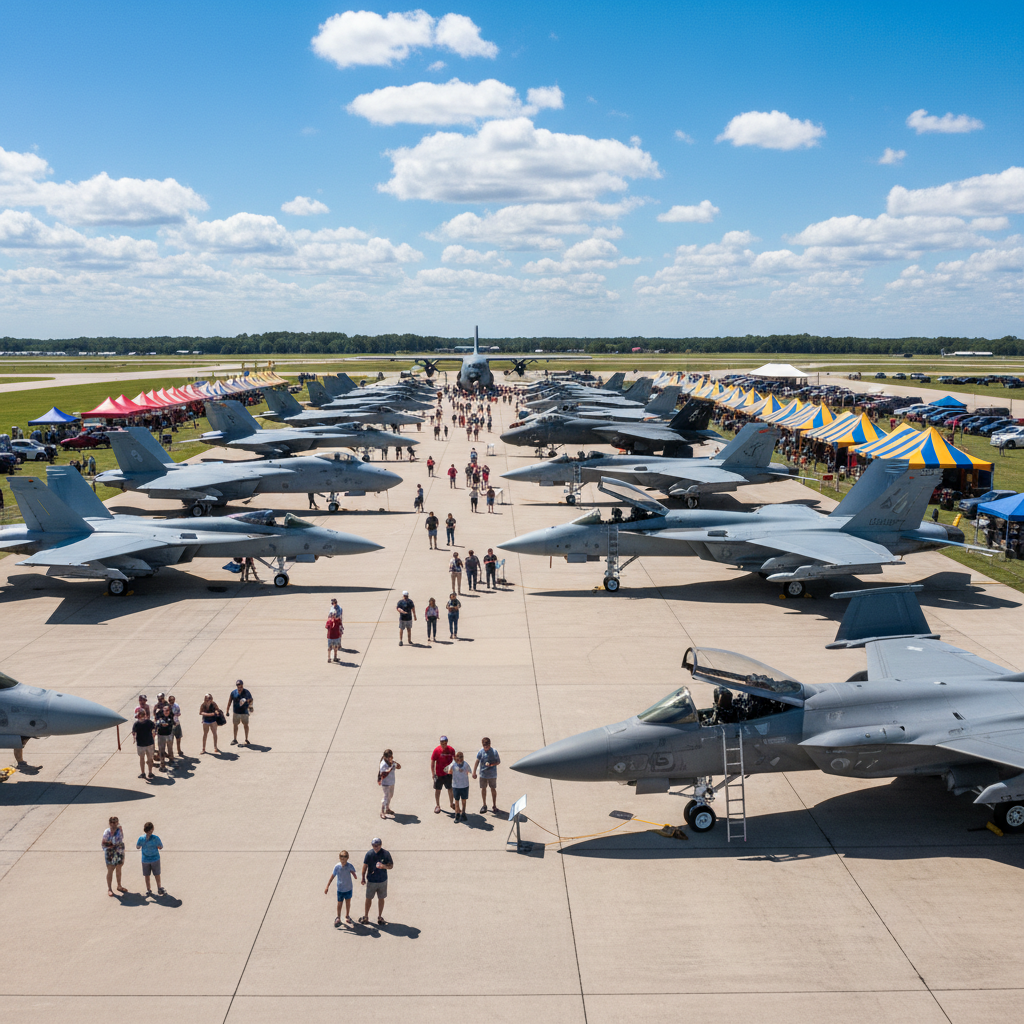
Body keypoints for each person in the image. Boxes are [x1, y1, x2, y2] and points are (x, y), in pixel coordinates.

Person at [360, 838, 393, 926]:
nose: (376, 847)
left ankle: (380, 917)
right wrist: (363, 878)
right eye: (374, 845)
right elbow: (364, 866)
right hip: (371, 881)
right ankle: (366, 916)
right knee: (368, 899)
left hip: (382, 881)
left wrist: (383, 866)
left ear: (381, 845)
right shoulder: (369, 854)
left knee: (381, 898)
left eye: (378, 845)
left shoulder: (386, 854)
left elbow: (391, 866)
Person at [325, 851, 357, 927]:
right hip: (340, 889)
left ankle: (347, 915)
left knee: (348, 903)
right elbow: (332, 876)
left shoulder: (349, 866)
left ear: (347, 858)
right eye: (341, 858)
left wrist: (355, 875)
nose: (343, 860)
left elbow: (353, 872)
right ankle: (338, 917)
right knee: (339, 903)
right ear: (339, 858)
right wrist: (327, 886)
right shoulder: (337, 867)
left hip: (348, 888)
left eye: (345, 858)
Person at [136, 821, 164, 896]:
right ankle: (159, 888)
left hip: (145, 860)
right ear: (152, 829)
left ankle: (149, 890)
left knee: (147, 875)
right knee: (157, 874)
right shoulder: (156, 838)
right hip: (155, 859)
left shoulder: (141, 838)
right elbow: (161, 847)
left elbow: (138, 847)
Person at [474, 737, 501, 813]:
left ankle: (494, 805)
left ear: (490, 744)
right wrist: (474, 772)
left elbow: (498, 761)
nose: (486, 748)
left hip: (492, 775)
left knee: (493, 789)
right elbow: (477, 761)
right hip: (483, 774)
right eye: (484, 746)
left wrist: (492, 765)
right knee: (483, 789)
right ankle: (484, 805)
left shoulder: (494, 752)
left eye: (487, 746)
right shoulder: (480, 752)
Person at [102, 815, 127, 896]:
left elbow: (121, 838)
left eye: (115, 822)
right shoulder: (107, 832)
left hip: (119, 852)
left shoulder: (119, 830)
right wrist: (112, 846)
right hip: (110, 852)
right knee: (110, 870)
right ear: (109, 823)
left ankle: (119, 886)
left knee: (119, 868)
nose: (114, 824)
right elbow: (104, 844)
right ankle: (109, 888)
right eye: (112, 822)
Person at [431, 735, 456, 814]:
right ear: (440, 743)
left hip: (448, 774)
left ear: (447, 742)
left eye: (445, 743)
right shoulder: (436, 750)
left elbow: (454, 761)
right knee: (438, 790)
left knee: (450, 789)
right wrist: (433, 773)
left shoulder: (451, 750)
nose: (443, 744)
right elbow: (432, 762)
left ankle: (452, 804)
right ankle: (437, 805)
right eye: (442, 743)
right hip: (439, 774)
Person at [226, 679, 254, 746]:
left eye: (240, 686)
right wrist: (227, 711)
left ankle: (246, 739)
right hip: (236, 712)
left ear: (242, 685)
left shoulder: (246, 692)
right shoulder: (233, 693)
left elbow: (251, 700)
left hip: (244, 712)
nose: (239, 687)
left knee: (246, 725)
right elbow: (229, 701)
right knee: (235, 725)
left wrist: (250, 706)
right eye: (238, 686)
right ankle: (235, 739)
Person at [132, 710, 156, 780]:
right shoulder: (149, 722)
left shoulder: (136, 724)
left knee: (143, 759)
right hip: (148, 743)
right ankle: (150, 773)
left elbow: (133, 732)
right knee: (149, 759)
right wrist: (154, 734)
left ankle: (144, 773)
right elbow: (154, 728)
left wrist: (134, 736)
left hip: (142, 744)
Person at [378, 748, 400, 817]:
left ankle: (387, 809)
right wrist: (391, 766)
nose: (389, 759)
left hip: (392, 782)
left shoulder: (392, 762)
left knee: (390, 796)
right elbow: (384, 774)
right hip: (385, 783)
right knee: (386, 796)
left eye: (390, 757)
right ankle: (382, 811)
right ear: (384, 757)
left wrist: (395, 763)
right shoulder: (383, 764)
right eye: (388, 757)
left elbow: (399, 767)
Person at [450, 751, 471, 821]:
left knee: (464, 800)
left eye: (461, 759)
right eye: (458, 759)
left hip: (464, 785)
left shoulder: (465, 765)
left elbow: (469, 771)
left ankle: (463, 813)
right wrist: (453, 764)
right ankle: (457, 814)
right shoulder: (453, 765)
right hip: (456, 786)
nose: (460, 760)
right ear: (456, 758)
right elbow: (448, 771)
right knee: (456, 801)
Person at [153, 699, 174, 770]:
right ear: (163, 711)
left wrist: (167, 724)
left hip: (169, 734)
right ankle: (162, 764)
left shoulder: (171, 715)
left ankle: (171, 760)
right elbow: (156, 723)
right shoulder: (159, 715)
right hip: (161, 735)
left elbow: (172, 723)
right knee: (161, 750)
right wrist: (156, 729)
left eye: (168, 711)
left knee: (170, 748)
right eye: (165, 711)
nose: (167, 712)